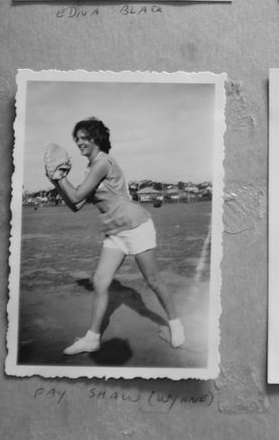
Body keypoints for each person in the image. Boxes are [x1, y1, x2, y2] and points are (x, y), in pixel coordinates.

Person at [49, 116, 184, 352]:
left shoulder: (103, 163)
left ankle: (175, 324)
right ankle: (92, 339)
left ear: (96, 138)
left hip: (135, 225)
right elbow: (74, 205)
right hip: (114, 231)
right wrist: (58, 180)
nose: (79, 142)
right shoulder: (91, 168)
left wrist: (61, 177)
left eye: (84, 138)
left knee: (153, 280)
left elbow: (78, 195)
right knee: (100, 281)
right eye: (77, 139)